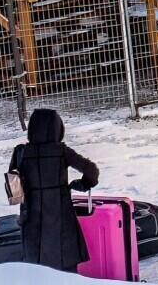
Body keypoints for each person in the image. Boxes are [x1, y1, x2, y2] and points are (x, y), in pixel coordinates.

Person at [7, 108, 100, 271]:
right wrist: (83, 184)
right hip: (61, 215)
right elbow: (91, 170)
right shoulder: (61, 151)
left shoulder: (20, 152)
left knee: (35, 267)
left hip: (31, 217)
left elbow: (13, 185)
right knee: (67, 265)